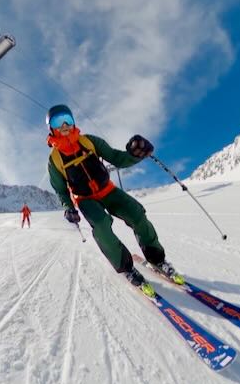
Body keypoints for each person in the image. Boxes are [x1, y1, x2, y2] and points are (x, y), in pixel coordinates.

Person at [45, 103, 183, 290]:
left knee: (137, 213)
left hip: (107, 190)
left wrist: (135, 154)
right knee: (101, 225)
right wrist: (68, 207)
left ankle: (157, 260)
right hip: (86, 199)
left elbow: (116, 158)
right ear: (51, 128)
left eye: (67, 120)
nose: (64, 126)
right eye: (57, 122)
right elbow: (61, 189)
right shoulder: (54, 160)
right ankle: (126, 267)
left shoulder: (89, 141)